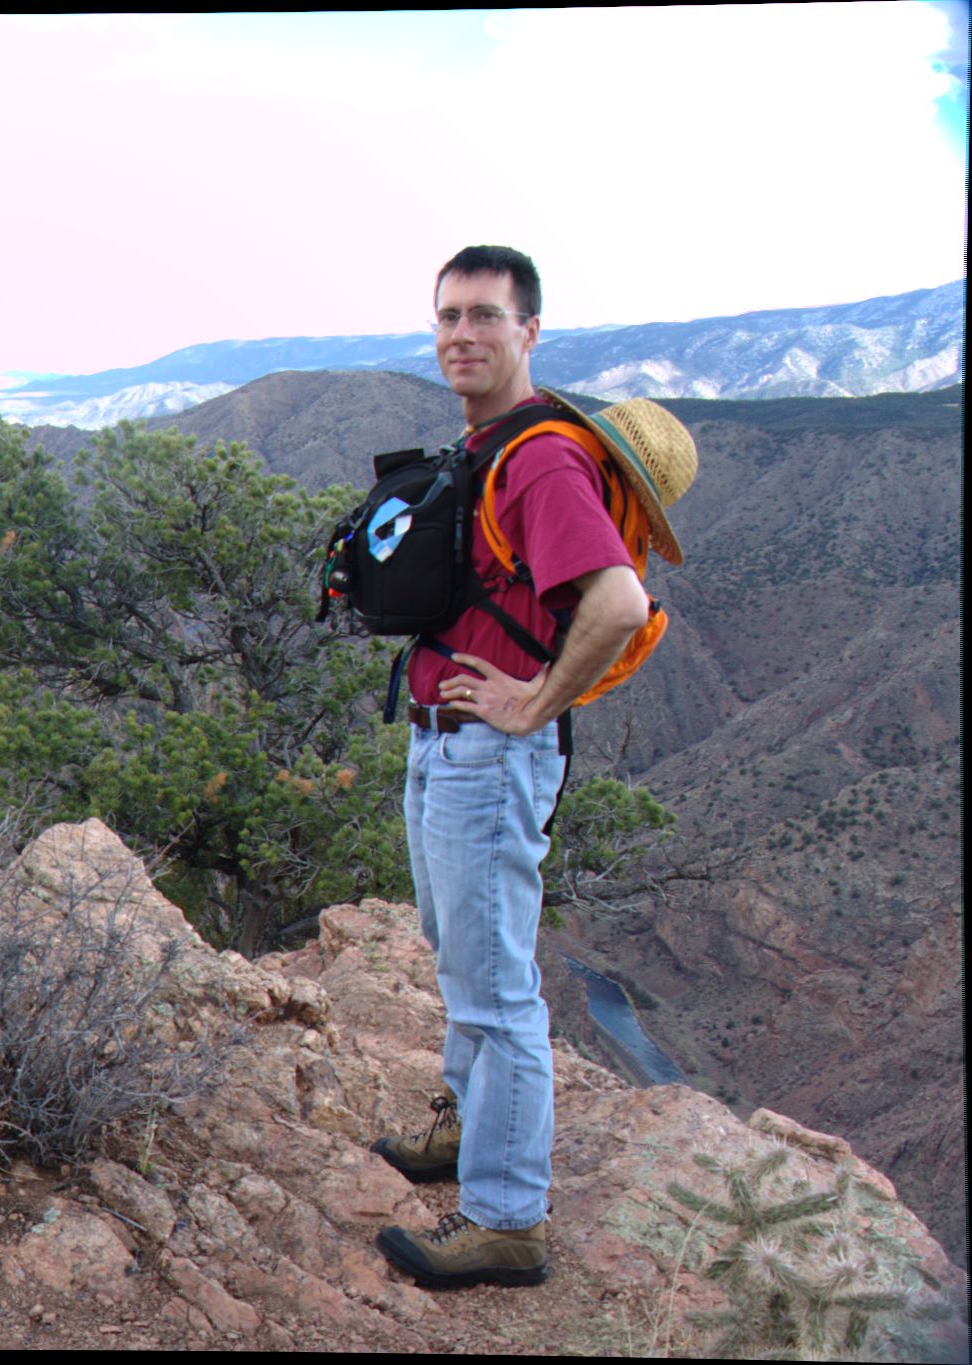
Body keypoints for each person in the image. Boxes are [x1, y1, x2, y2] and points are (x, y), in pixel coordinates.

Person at [370, 246, 674, 1290]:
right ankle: (473, 1136)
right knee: (459, 957)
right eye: (448, 315)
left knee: (495, 987)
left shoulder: (541, 456)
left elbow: (618, 603)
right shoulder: (489, 443)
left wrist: (532, 701)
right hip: (445, 745)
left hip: (490, 756)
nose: (462, 333)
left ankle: (506, 1219)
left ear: (528, 331)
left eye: (485, 316)